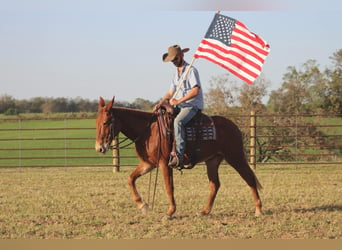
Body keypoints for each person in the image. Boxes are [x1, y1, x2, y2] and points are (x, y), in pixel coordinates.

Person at [154, 45, 204, 169]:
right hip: (180, 104)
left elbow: (195, 90)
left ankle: (179, 156)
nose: (174, 62)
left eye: (175, 59)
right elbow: (171, 91)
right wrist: (162, 102)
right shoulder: (176, 73)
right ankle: (165, 149)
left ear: (181, 55)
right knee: (162, 116)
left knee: (178, 121)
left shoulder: (191, 70)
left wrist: (178, 101)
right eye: (172, 60)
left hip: (192, 105)